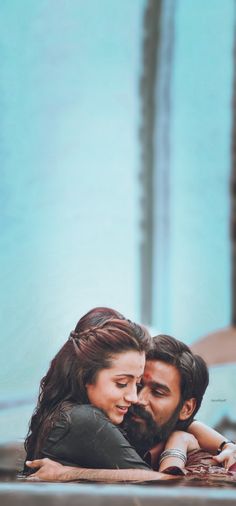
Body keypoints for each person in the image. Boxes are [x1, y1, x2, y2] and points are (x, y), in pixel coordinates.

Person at [26, 333, 236, 482]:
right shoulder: (88, 421)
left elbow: (171, 491)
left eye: (158, 392)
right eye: (137, 385)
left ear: (186, 409)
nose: (137, 399)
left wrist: (223, 445)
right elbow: (162, 487)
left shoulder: (206, 461)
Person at [24, 307, 168, 481]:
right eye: (121, 383)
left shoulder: (64, 414)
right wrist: (69, 474)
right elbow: (158, 485)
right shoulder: (82, 418)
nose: (133, 397)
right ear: (85, 376)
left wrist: (185, 432)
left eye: (136, 384)